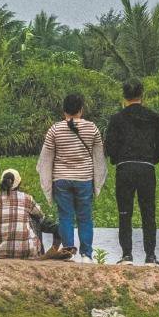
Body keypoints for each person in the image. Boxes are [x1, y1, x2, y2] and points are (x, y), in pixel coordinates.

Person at [37, 94, 107, 260]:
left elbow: (45, 159)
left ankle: (68, 252)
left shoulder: (55, 130)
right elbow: (99, 158)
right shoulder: (92, 128)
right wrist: (98, 183)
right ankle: (86, 255)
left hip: (61, 180)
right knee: (85, 218)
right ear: (81, 110)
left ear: (64, 111)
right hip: (84, 179)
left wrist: (47, 184)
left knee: (65, 217)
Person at [105, 80, 159, 264]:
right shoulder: (154, 117)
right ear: (142, 95)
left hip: (125, 168)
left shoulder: (117, 119)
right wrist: (151, 160)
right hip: (146, 168)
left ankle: (127, 254)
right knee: (148, 213)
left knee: (125, 213)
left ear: (124, 96)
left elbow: (110, 145)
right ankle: (150, 255)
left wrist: (117, 159)